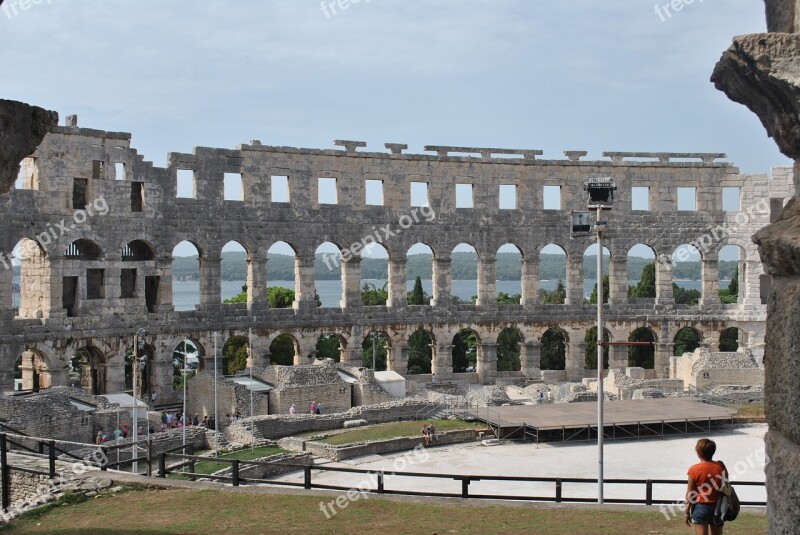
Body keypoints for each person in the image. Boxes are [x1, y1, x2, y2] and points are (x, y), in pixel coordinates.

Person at [685, 438, 728, 534]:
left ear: (699, 452)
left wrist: (687, 512)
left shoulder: (694, 469)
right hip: (718, 506)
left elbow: (690, 493)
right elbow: (725, 483)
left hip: (701, 507)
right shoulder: (720, 466)